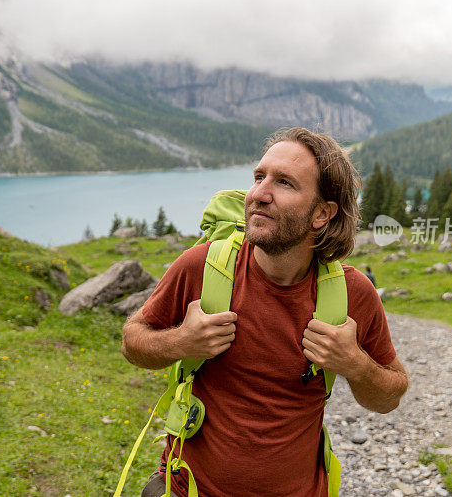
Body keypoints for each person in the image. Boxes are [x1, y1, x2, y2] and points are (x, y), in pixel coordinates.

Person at [121, 128, 408, 497]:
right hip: (188, 489)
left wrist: (354, 363)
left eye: (284, 183)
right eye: (259, 177)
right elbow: (132, 343)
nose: (258, 194)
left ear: (322, 213)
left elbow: (390, 396)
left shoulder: (353, 294)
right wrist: (182, 341)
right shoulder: (201, 266)